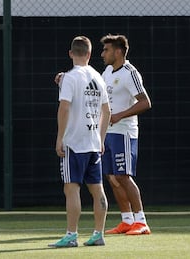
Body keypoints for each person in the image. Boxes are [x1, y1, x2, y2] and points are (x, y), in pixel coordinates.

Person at [48, 36, 111, 248]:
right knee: (97, 189)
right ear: (90, 54)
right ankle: (98, 233)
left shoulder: (70, 77)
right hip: (93, 142)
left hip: (74, 143)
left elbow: (64, 107)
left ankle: (71, 234)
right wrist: (101, 139)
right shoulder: (98, 77)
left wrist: (60, 138)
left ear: (70, 53)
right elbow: (107, 111)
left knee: (71, 188)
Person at [100, 34, 152, 235]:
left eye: (107, 50)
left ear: (118, 51)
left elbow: (145, 102)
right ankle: (127, 220)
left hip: (124, 133)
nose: (103, 53)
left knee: (123, 175)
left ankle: (141, 221)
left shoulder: (130, 73)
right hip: (107, 132)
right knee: (112, 177)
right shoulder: (106, 71)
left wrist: (119, 115)